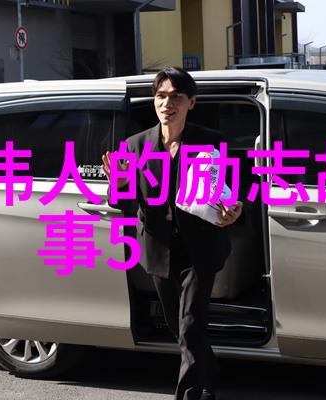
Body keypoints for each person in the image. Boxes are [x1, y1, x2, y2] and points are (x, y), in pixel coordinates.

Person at [102, 67, 243, 400]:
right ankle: (208, 371)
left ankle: (192, 393)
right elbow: (120, 201)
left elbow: (235, 192)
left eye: (176, 96)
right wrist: (119, 182)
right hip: (158, 248)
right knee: (177, 324)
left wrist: (234, 211)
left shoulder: (214, 143)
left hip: (201, 249)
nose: (168, 104)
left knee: (190, 323)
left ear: (191, 102)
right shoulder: (135, 146)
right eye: (161, 96)